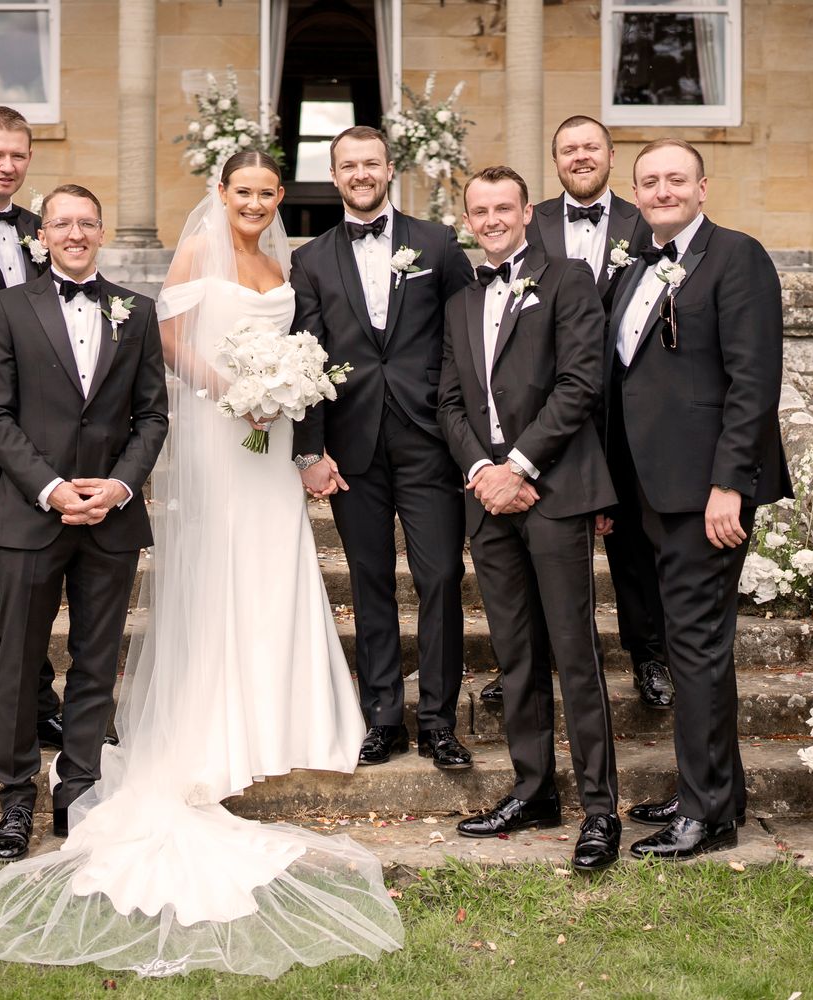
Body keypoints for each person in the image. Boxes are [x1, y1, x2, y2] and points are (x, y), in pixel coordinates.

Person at [0, 153, 402, 977]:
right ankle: (159, 745)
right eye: (240, 191)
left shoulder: (286, 265)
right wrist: (235, 391)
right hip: (223, 432)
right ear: (220, 194)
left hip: (270, 435)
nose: (252, 202)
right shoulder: (186, 256)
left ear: (279, 198)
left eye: (265, 192)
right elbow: (171, 347)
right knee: (213, 571)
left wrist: (283, 397)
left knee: (273, 564)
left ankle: (280, 717)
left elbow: (298, 347)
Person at [604, 139, 792, 860]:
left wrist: (729, 486)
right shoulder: (635, 265)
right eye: (650, 181)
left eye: (676, 179)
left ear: (702, 187)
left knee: (696, 646)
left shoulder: (736, 257)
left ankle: (706, 815)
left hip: (704, 492)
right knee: (696, 648)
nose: (663, 190)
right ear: (636, 193)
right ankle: (716, 790)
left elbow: (754, 382)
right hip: (646, 490)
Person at [438, 165, 621, 872]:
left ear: (525, 213)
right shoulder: (461, 300)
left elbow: (580, 383)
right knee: (515, 654)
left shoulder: (568, 278)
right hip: (487, 500)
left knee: (575, 653)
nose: (491, 220)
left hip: (554, 490)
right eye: (479, 211)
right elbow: (448, 402)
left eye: (503, 208)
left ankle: (599, 809)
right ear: (469, 220)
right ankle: (533, 790)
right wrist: (481, 472)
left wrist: (517, 466)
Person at [292, 126, 475, 770]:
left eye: (371, 163)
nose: (361, 174)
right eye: (349, 165)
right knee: (370, 582)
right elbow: (306, 359)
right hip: (352, 445)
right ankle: (384, 717)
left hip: (430, 438)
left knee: (441, 577)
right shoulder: (311, 259)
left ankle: (440, 722)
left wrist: (469, 436)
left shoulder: (438, 242)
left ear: (390, 168)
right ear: (334, 175)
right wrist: (309, 451)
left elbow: (466, 338)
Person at [0, 183, 168, 860]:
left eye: (86, 223)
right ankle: (14, 798)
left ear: (101, 232)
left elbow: (152, 415)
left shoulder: (138, 311)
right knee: (15, 664)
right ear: (42, 236)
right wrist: (51, 489)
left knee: (97, 663)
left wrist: (121, 485)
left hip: (110, 520)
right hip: (28, 516)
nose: (74, 233)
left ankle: (79, 793)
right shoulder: (8, 308)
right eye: (62, 223)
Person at [519, 113, 671, 712]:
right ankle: (532, 662)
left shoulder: (646, 220)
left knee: (634, 546)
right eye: (568, 149)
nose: (580, 157)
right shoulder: (531, 222)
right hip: (553, 404)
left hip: (629, 407)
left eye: (590, 147)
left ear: (611, 156)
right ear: (555, 161)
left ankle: (650, 657)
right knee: (544, 544)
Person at [0, 104, 63, 749]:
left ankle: (38, 704)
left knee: (29, 576)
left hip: (28, 430)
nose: (7, 165)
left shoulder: (35, 230)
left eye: (17, 154)